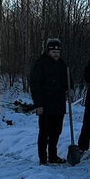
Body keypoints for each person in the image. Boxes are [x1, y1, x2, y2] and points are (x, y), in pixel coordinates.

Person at [29, 37, 70, 165]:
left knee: (56, 132)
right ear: (48, 51)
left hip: (59, 104)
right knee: (44, 132)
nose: (56, 54)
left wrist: (71, 89)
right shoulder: (40, 64)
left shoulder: (62, 64)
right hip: (45, 104)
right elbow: (35, 85)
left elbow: (68, 80)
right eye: (53, 52)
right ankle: (43, 158)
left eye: (58, 52)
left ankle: (53, 156)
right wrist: (38, 104)